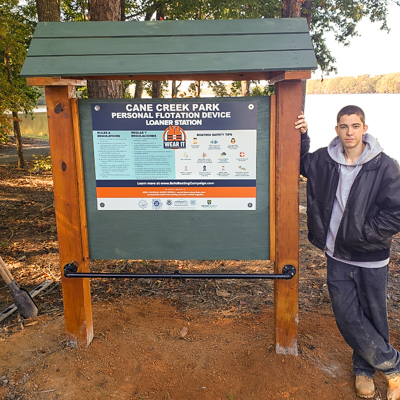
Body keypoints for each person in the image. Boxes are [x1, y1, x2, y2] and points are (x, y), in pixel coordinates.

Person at [295, 105, 400, 399]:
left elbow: (395, 212)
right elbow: (299, 163)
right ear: (337, 129)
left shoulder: (384, 166)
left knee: (374, 316)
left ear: (364, 128)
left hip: (371, 256)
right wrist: (304, 135)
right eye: (344, 126)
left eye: (355, 126)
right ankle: (393, 366)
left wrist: (363, 234)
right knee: (347, 317)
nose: (349, 132)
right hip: (336, 255)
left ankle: (364, 371)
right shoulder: (325, 160)